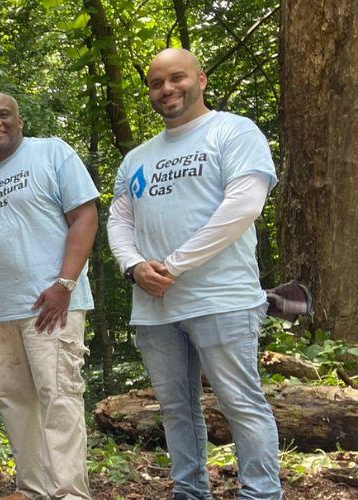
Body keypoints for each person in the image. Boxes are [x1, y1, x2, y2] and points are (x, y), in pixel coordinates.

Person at [107, 48, 281, 499]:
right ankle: (189, 492)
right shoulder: (137, 158)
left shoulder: (233, 131)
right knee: (176, 410)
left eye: (176, 78)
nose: (166, 89)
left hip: (222, 298)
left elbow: (244, 205)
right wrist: (132, 265)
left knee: (241, 404)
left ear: (200, 79)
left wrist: (174, 264)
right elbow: (119, 219)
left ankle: (261, 493)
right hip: (154, 306)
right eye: (156, 83)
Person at [0, 93, 98, 500]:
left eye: (4, 115)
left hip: (50, 304)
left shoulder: (52, 153)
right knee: (15, 401)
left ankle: (69, 492)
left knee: (59, 399)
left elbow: (85, 216)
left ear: (20, 120)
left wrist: (65, 284)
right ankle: (33, 488)